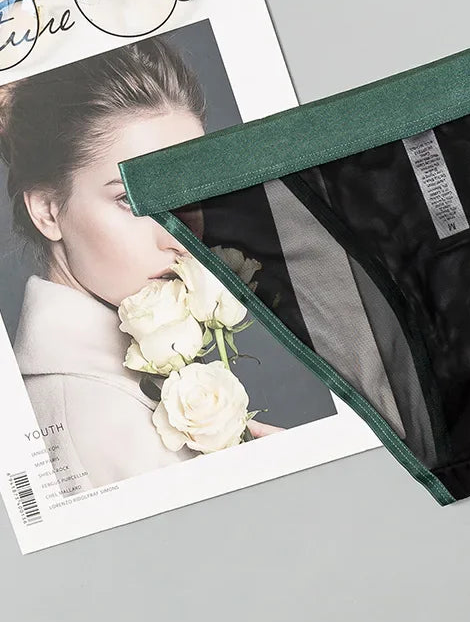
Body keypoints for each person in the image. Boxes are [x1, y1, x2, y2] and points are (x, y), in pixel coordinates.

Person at [0, 38, 279, 494]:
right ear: (48, 211)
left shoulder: (114, 384)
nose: (178, 235)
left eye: (191, 195)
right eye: (131, 200)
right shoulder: (95, 417)